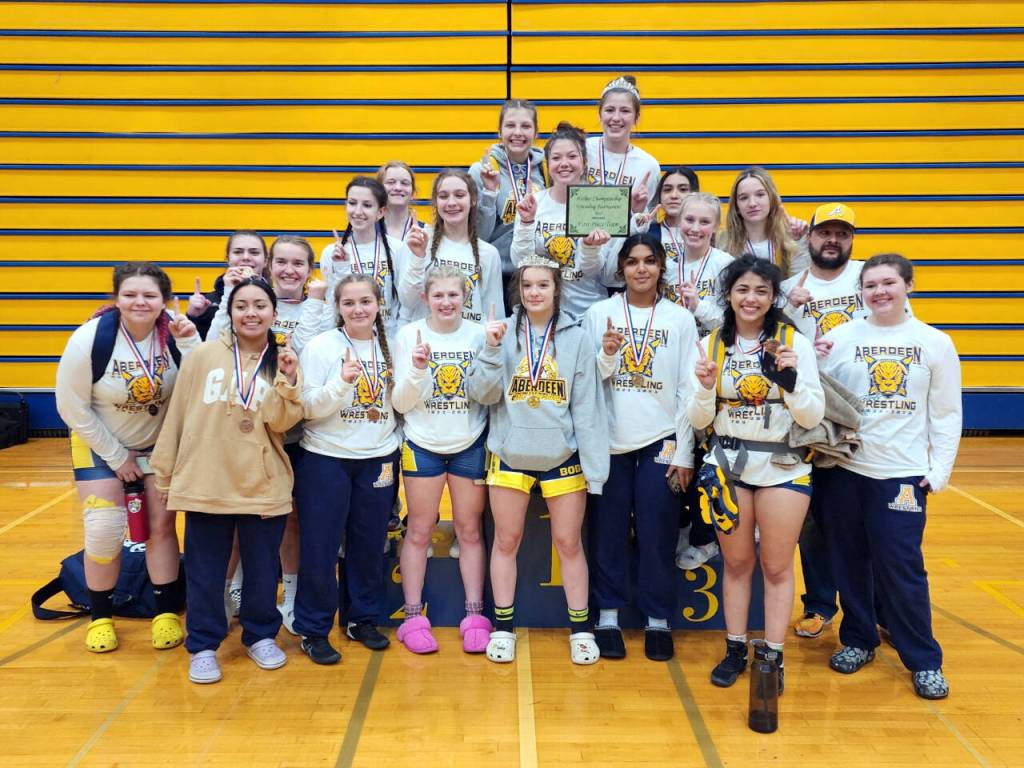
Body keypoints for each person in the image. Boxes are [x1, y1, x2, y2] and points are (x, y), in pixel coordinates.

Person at [817, 253, 960, 699]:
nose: (879, 291)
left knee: (902, 568)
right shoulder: (839, 337)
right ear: (861, 291)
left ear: (908, 287)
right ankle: (859, 639)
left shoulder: (934, 342)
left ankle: (924, 660)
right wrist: (813, 357)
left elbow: (947, 412)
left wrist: (939, 471)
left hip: (901, 474)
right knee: (849, 562)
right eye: (871, 284)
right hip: (844, 471)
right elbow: (816, 395)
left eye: (888, 283)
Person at [151, 276, 302, 684]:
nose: (251, 313)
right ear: (230, 312)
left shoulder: (283, 358)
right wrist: (165, 471)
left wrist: (287, 382)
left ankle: (259, 635)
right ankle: (202, 644)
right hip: (207, 482)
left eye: (260, 306)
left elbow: (284, 422)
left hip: (262, 482)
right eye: (242, 306)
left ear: (274, 313)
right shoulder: (202, 356)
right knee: (205, 569)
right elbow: (178, 414)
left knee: (260, 568)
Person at [687, 254, 824, 692]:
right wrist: (706, 389)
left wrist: (791, 380)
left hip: (783, 464)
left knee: (778, 566)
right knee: (738, 563)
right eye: (743, 289)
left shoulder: (793, 343)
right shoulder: (710, 344)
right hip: (726, 464)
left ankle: (773, 655)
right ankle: (734, 647)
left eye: (761, 291)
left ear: (773, 298)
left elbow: (813, 414)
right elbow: (696, 419)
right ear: (728, 295)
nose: (751, 298)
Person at [466, 257, 609, 665]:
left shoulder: (578, 338)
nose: (533, 292)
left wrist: (595, 471)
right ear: (519, 290)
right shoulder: (500, 332)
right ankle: (503, 628)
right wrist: (492, 350)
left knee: (568, 543)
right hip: (510, 454)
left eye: (542, 285)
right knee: (506, 541)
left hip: (562, 456)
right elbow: (483, 394)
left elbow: (587, 409)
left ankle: (581, 630)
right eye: (527, 285)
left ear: (556, 289)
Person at [56, 263, 198, 653]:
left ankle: (165, 611)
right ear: (116, 298)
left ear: (165, 301)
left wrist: (190, 343)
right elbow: (71, 407)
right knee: (104, 528)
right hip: (101, 443)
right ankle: (100, 617)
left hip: (158, 447)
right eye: (130, 294)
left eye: (150, 295)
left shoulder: (176, 333)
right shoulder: (90, 339)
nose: (140, 302)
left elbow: (201, 382)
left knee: (160, 528)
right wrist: (118, 457)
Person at [584, 234, 698, 661]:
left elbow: (689, 390)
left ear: (661, 267)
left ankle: (657, 620)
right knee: (608, 531)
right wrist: (609, 355)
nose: (641, 269)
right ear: (621, 269)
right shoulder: (600, 314)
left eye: (650, 261)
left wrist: (685, 451)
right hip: (608, 439)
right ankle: (608, 616)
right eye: (632, 262)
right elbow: (588, 381)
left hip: (662, 440)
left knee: (658, 530)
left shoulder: (680, 320)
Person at [292, 274, 401, 664]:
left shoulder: (392, 345)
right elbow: (308, 408)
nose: (358, 309)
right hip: (326, 456)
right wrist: (340, 383)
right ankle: (314, 628)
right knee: (320, 549)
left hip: (378, 457)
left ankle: (362, 618)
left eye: (365, 302)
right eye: (349, 303)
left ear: (378, 305)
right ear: (338, 308)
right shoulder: (322, 346)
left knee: (370, 546)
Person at [392, 264, 490, 654]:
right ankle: (413, 616)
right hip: (422, 443)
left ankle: (475, 614)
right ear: (425, 298)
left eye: (454, 295)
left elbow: (488, 392)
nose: (446, 302)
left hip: (469, 443)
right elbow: (401, 402)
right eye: (439, 295)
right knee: (419, 530)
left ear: (465, 298)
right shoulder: (407, 335)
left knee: (469, 531)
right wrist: (417, 369)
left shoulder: (480, 335)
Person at [781, 203, 863, 640]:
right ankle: (819, 605)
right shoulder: (789, 286)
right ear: (808, 238)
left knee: (861, 518)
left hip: (861, 408)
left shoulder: (868, 277)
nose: (832, 240)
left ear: (852, 240)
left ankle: (873, 608)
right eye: (824, 232)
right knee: (811, 515)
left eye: (841, 233)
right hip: (811, 408)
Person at [510, 122, 612, 317]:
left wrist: (590, 247)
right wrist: (526, 223)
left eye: (572, 156)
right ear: (548, 165)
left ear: (584, 163)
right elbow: (520, 262)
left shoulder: (598, 203)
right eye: (556, 158)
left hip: (587, 313)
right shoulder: (533, 204)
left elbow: (593, 271)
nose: (564, 163)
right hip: (542, 312)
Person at [398, 169, 503, 325]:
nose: (451, 203)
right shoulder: (419, 241)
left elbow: (495, 315)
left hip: (470, 347)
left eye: (459, 195)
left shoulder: (489, 253)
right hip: (426, 345)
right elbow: (407, 301)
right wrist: (419, 257)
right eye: (443, 196)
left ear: (473, 199)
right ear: (435, 201)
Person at [469, 99, 547, 305]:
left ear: (536, 132)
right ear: (499, 131)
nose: (518, 132)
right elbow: (480, 236)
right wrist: (489, 192)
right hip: (497, 275)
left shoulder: (547, 170)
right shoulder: (482, 170)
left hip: (538, 275)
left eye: (526, 126)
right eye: (511, 125)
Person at [319, 177, 404, 338]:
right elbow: (333, 304)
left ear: (381, 212)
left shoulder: (397, 249)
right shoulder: (331, 253)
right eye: (352, 203)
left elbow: (404, 304)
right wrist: (341, 269)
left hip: (389, 339)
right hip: (348, 338)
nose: (357, 211)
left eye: (367, 205)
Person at [719, 167, 808, 279]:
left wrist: (799, 241)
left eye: (760, 195)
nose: (752, 203)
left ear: (771, 198)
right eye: (744, 198)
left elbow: (800, 283)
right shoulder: (723, 243)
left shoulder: (790, 238)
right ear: (736, 206)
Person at [585, 75, 660, 207]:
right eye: (609, 110)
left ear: (636, 117)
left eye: (625, 111)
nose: (616, 118)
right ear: (599, 114)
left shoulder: (649, 166)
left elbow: (647, 221)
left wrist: (637, 213)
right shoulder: (581, 150)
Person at [186, 231, 269, 340]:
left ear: (266, 261)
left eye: (254, 252)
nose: (245, 257)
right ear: (227, 259)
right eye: (238, 252)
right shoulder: (208, 303)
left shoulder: (275, 300)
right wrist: (193, 317)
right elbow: (198, 351)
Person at [378, 160, 425, 242]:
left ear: (413, 192)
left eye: (405, 183)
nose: (398, 188)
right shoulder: (366, 232)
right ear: (378, 190)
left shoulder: (427, 233)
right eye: (391, 182)